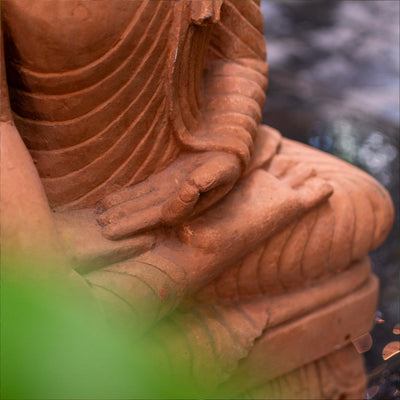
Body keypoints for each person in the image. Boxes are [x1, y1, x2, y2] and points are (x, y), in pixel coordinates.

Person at [0, 0, 394, 393]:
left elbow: (237, 57)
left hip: (196, 185)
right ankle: (197, 258)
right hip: (54, 227)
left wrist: (223, 147)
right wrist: (214, 244)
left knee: (364, 205)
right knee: (52, 324)